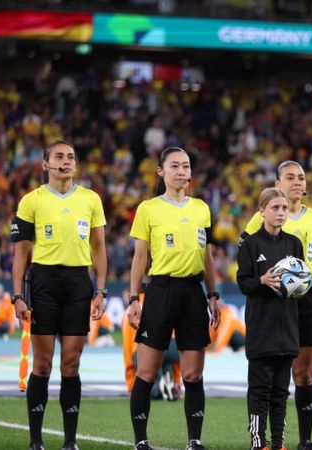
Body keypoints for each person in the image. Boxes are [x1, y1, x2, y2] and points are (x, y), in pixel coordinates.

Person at [10, 141, 108, 450]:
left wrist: (101, 290)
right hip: (43, 282)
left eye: (70, 157)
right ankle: (36, 441)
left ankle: (69, 441)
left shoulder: (91, 200)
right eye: (59, 157)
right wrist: (17, 296)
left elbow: (99, 249)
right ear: (45, 165)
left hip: (79, 283)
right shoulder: (31, 201)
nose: (66, 162)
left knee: (71, 364)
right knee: (42, 365)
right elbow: (19, 255)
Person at [127, 147, 220, 450]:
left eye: (186, 166)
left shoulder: (201, 209)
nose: (181, 171)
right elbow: (140, 257)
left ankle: (194, 440)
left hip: (194, 294)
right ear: (161, 172)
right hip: (160, 292)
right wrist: (133, 297)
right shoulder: (148, 209)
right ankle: (141, 440)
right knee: (147, 371)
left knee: (193, 373)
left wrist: (213, 294)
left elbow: (207, 256)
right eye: (175, 166)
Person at [242, 160, 312, 450]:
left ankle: (304, 440)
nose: (298, 182)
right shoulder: (263, 218)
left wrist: (305, 283)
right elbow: (249, 260)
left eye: (302, 178)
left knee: (304, 373)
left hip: (305, 297)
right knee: (278, 371)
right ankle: (263, 439)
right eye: (290, 177)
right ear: (278, 182)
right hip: (273, 303)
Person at [237, 187, 304, 450]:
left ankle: (278, 443)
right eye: (275, 208)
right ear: (262, 210)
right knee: (260, 391)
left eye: (284, 208)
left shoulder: (294, 244)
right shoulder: (250, 244)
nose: (280, 213)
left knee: (281, 392)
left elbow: (301, 282)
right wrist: (262, 281)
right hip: (262, 327)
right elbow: (243, 284)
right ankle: (258, 442)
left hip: (287, 326)